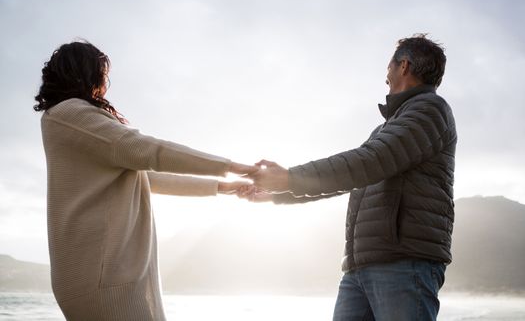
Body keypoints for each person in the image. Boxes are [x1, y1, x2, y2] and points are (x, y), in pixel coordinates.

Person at [34, 41, 256, 321]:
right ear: (84, 73)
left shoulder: (65, 119)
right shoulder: (71, 114)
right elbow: (149, 151)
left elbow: (144, 176)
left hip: (104, 272)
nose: (104, 83)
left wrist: (222, 186)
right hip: (103, 275)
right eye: (101, 74)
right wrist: (231, 166)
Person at [241, 34, 456, 321]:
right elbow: (355, 176)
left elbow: (368, 161)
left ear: (403, 66)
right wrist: (279, 194)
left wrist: (290, 178)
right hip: (361, 267)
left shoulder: (430, 111)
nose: (386, 74)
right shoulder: (385, 129)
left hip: (404, 264)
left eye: (389, 66)